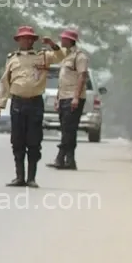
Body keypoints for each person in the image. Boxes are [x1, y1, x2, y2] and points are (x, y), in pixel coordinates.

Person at [0, 26, 66, 187]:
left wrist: (52, 44)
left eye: (29, 38)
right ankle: (19, 176)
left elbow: (61, 57)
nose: (25, 40)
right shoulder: (12, 58)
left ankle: (31, 178)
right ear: (18, 40)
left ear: (33, 40)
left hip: (35, 103)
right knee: (17, 141)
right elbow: (4, 83)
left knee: (34, 141)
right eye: (22, 38)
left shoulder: (43, 56)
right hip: (17, 103)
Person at [46, 29, 88, 170]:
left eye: (63, 39)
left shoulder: (80, 56)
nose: (61, 41)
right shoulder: (65, 56)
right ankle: (70, 161)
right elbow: (62, 80)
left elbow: (82, 77)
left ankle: (60, 158)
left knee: (69, 129)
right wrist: (58, 98)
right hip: (64, 96)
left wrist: (76, 97)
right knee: (67, 129)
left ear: (70, 41)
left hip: (74, 97)